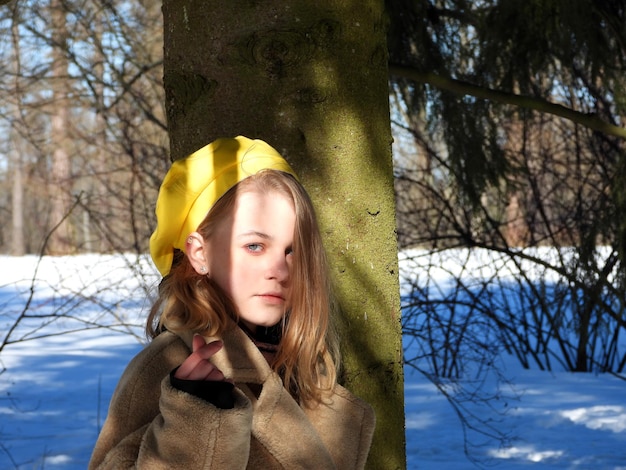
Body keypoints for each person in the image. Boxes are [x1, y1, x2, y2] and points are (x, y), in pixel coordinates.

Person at [89, 136, 375, 469]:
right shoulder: (166, 367)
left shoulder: (310, 373)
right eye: (255, 246)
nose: (280, 271)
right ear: (200, 253)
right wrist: (194, 424)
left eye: (293, 250)